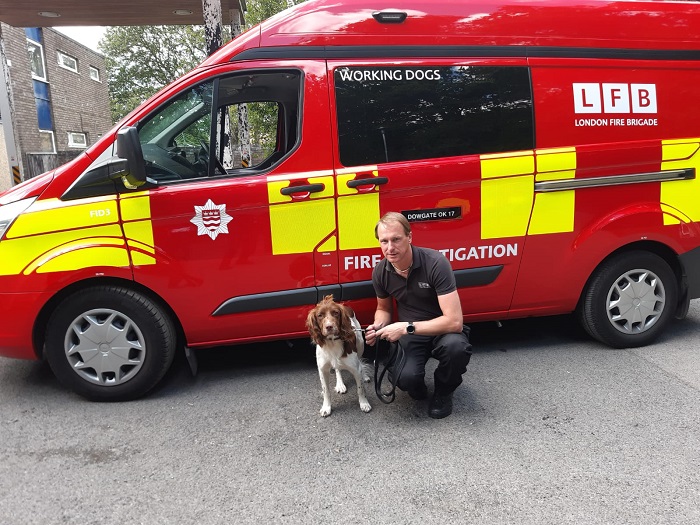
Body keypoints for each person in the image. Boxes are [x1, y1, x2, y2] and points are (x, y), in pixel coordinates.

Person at [365, 212, 471, 418]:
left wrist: (405, 327)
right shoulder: (380, 271)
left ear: (409, 237)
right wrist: (378, 327)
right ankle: (415, 384)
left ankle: (443, 392)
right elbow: (384, 309)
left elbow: (455, 322)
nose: (390, 247)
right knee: (405, 380)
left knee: (456, 348)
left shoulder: (435, 262)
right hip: (411, 335)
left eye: (396, 239)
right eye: (384, 241)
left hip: (442, 330)